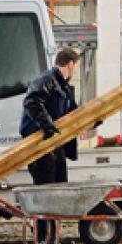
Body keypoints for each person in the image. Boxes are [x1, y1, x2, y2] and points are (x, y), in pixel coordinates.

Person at [20, 48, 81, 185]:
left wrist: (93, 120)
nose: (76, 70)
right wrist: (47, 126)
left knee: (60, 184)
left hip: (54, 143)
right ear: (70, 64)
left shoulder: (64, 88)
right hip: (41, 142)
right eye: (76, 66)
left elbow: (73, 113)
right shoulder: (47, 80)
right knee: (47, 184)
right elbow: (32, 102)